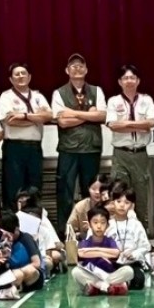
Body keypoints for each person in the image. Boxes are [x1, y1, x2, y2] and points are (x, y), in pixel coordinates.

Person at [48, 54, 108, 220]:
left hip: (91, 148)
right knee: (64, 190)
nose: (77, 68)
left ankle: (93, 225)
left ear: (86, 70)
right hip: (69, 149)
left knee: (93, 191)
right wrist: (89, 114)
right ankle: (65, 228)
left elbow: (102, 116)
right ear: (67, 70)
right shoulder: (59, 93)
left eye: (81, 65)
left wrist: (72, 113)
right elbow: (62, 121)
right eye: (73, 66)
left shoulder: (97, 90)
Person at [0, 65, 52, 207]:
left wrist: (24, 116)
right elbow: (10, 121)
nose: (21, 76)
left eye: (23, 73)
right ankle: (12, 218)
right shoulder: (6, 97)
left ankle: (34, 217)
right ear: (11, 79)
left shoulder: (38, 96)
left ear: (29, 77)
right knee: (13, 187)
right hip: (14, 148)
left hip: (35, 148)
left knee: (34, 186)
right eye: (17, 74)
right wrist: (36, 119)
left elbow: (48, 116)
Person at [72, 207, 130, 295]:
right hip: (92, 275)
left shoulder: (110, 241)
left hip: (109, 275)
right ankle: (108, 287)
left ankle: (97, 287)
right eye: (95, 222)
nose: (99, 226)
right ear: (89, 224)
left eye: (103, 223)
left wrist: (92, 251)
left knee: (128, 271)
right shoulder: (84, 242)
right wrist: (104, 253)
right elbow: (81, 253)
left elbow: (116, 253)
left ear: (107, 225)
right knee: (76, 272)